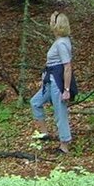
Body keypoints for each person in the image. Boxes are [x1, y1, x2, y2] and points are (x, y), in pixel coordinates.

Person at [30, 11, 74, 154]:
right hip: (50, 80)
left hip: (57, 82)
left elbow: (67, 67)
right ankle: (44, 133)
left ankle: (64, 145)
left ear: (56, 25)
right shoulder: (60, 40)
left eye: (51, 21)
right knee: (35, 102)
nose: (49, 23)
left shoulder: (61, 43)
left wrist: (66, 90)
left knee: (60, 112)